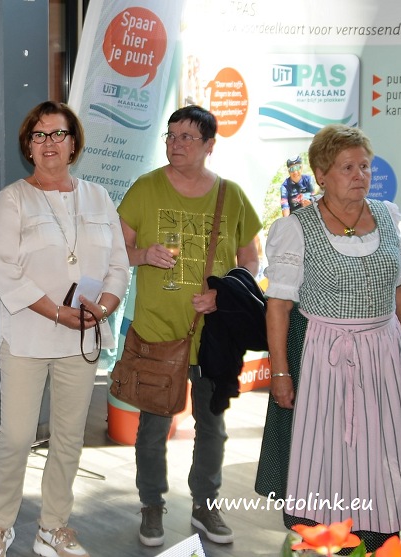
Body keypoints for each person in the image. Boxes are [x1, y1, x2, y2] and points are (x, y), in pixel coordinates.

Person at [0, 101, 129, 557]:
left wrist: (102, 309)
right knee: (16, 437)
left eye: (58, 134)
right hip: (27, 337)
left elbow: (119, 265)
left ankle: (53, 527)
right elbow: (1, 269)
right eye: (39, 135)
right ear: (28, 146)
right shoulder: (13, 198)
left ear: (74, 143)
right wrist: (59, 313)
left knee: (68, 437)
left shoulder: (99, 197)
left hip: (81, 338)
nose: (49, 143)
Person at [117, 105, 261, 547]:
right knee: (153, 428)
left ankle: (205, 505)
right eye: (171, 135)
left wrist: (224, 296)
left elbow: (250, 259)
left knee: (212, 427)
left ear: (209, 145)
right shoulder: (145, 188)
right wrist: (144, 255)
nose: (175, 144)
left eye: (186, 137)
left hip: (214, 337)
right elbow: (115, 251)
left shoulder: (231, 195)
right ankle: (151, 505)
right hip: (158, 332)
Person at [262, 124, 401, 552]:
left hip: (384, 351)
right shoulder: (297, 228)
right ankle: (331, 540)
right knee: (329, 451)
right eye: (348, 167)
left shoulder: (389, 216)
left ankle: (382, 537)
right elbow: (278, 307)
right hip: (325, 355)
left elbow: (399, 291)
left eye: (365, 166)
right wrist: (280, 373)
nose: (360, 175)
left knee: (384, 450)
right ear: (321, 174)